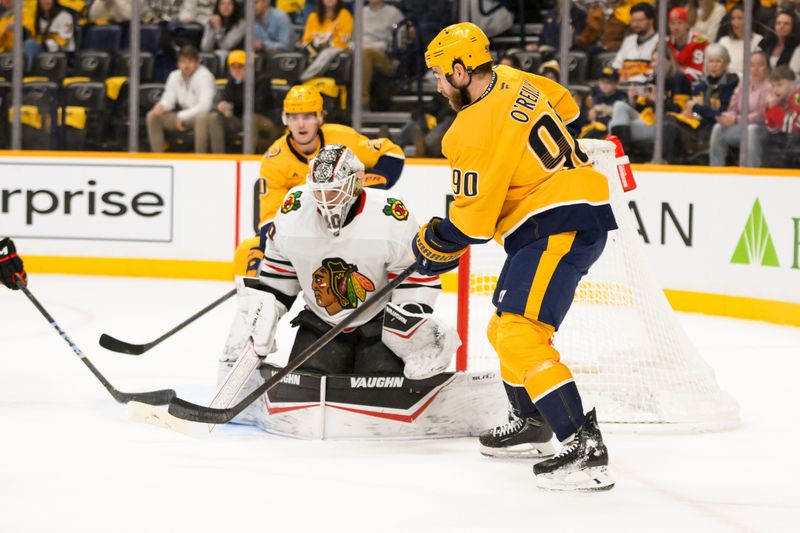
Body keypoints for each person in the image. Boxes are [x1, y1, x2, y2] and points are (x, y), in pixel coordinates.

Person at [414, 22, 617, 491]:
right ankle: (530, 422)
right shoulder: (515, 78)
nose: (439, 86)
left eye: (442, 76)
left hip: (555, 222)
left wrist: (433, 241)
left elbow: (473, 225)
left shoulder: (468, 131)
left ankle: (582, 445)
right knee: (502, 325)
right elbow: (568, 107)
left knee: (519, 330)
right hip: (565, 216)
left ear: (462, 71)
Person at [224, 145, 449, 381]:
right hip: (320, 324)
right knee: (306, 385)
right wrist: (267, 308)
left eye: (333, 191)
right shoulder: (294, 210)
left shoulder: (390, 214)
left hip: (379, 325)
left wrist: (411, 320)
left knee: (381, 383)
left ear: (355, 183)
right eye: (318, 191)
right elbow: (281, 271)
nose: (324, 200)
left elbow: (413, 276)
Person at [232, 84, 405, 277]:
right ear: (285, 120)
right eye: (293, 117)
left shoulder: (342, 137)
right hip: (305, 233)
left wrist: (370, 182)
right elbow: (271, 217)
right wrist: (265, 250)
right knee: (247, 252)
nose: (300, 124)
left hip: (348, 226)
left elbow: (392, 153)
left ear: (320, 118)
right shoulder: (274, 160)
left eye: (308, 116)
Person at [608, 48, 691, 159]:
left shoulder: (680, 79)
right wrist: (633, 100)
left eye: (657, 60)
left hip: (665, 126)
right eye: (652, 60)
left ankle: (624, 158)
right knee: (619, 105)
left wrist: (660, 100)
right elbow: (642, 110)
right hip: (648, 120)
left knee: (612, 125)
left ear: (669, 61)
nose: (653, 64)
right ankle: (625, 155)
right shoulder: (652, 79)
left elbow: (680, 112)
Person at [663, 42, 738, 162]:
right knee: (669, 121)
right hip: (698, 126)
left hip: (715, 128)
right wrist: (689, 112)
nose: (714, 65)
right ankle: (668, 163)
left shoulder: (731, 85)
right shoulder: (701, 84)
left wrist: (697, 109)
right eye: (710, 61)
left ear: (726, 64)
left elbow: (722, 114)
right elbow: (691, 107)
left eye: (718, 61)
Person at [146, 45, 216, 153]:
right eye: (183, 62)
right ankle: (158, 156)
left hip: (202, 116)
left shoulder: (205, 76)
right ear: (178, 64)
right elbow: (169, 99)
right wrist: (162, 106)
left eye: (190, 61)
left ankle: (201, 159)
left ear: (197, 62)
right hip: (182, 115)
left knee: (201, 118)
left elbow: (205, 106)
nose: (186, 65)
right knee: (153, 116)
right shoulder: (174, 76)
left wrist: (181, 116)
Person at [208, 50, 280, 154]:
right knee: (214, 118)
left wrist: (232, 105)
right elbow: (228, 101)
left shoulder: (262, 80)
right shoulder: (232, 81)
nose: (236, 71)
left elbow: (256, 107)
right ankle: (219, 157)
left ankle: (248, 158)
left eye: (240, 67)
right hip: (240, 118)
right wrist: (223, 106)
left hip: (265, 119)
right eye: (233, 68)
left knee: (250, 118)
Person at [709, 50, 771, 166]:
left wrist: (736, 119)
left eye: (760, 65)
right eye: (752, 65)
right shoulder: (744, 83)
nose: (755, 69)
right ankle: (716, 170)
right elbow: (733, 107)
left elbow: (761, 115)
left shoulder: (769, 86)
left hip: (763, 129)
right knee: (718, 128)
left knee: (751, 130)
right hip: (742, 127)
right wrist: (727, 117)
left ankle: (751, 173)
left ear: (767, 68)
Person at [361, 0, 404, 109]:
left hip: (385, 57)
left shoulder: (394, 13)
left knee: (365, 53)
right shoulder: (360, 12)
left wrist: (372, 46)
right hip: (359, 50)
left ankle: (362, 102)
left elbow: (398, 44)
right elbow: (351, 39)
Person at [300, 0, 352, 81]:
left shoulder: (344, 14)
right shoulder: (313, 16)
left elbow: (343, 41)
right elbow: (306, 41)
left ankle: (303, 79)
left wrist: (322, 50)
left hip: (335, 50)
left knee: (327, 53)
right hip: (314, 51)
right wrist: (313, 53)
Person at [762, 65, 800, 167]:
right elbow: (772, 129)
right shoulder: (782, 100)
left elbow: (792, 127)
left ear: (792, 84)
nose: (775, 90)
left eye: (779, 85)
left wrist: (773, 108)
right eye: (773, 86)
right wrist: (769, 108)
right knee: (768, 140)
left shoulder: (798, 95)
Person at [612, 2, 659, 83]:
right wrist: (620, 75)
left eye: (639, 20)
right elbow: (616, 64)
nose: (635, 24)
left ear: (651, 20)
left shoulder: (661, 40)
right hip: (625, 86)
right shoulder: (629, 40)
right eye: (633, 20)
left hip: (647, 87)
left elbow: (658, 72)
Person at [577, 66, 628, 139]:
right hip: (592, 127)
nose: (604, 85)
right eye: (602, 81)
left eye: (608, 82)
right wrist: (589, 116)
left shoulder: (621, 97)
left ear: (616, 84)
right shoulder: (594, 95)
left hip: (609, 130)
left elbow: (619, 120)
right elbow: (585, 114)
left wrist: (597, 119)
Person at [23, 0, 75, 68]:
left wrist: (44, 44)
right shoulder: (39, 17)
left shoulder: (65, 16)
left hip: (62, 53)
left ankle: (29, 72)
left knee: (30, 44)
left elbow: (64, 41)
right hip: (43, 51)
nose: (45, 1)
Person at [717, 3, 763, 77]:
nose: (735, 22)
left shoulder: (758, 41)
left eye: (740, 18)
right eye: (733, 18)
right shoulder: (723, 41)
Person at [667, 6, 708, 82]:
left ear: (687, 24)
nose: (676, 28)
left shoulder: (699, 42)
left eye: (679, 23)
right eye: (672, 23)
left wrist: (674, 69)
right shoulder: (665, 43)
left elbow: (698, 75)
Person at [758, 8, 800, 72]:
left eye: (786, 24)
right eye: (778, 23)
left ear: (793, 27)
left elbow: (792, 73)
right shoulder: (767, 43)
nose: (781, 26)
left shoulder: (797, 48)